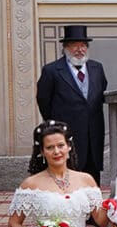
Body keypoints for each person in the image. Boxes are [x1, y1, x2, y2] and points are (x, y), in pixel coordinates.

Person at [35, 24, 107, 185]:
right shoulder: (52, 71)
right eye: (75, 45)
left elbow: (101, 92)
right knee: (68, 178)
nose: (80, 50)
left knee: (92, 180)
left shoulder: (97, 68)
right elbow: (43, 101)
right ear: (66, 48)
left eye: (83, 45)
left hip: (93, 136)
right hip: (67, 136)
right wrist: (57, 126)